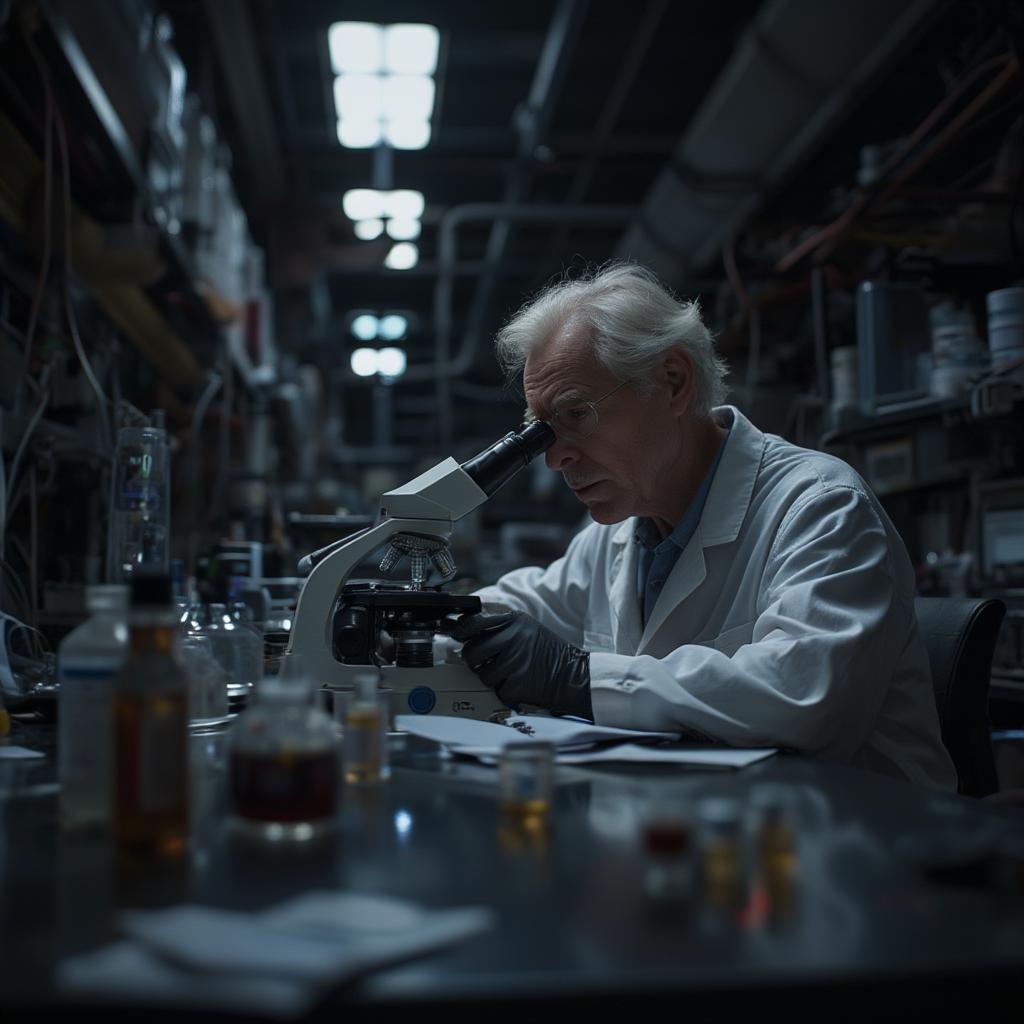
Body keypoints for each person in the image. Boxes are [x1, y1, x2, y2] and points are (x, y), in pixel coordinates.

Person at [453, 263, 956, 790]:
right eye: (541, 431)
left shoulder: (820, 507)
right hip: (706, 825)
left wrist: (581, 679)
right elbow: (523, 607)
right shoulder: (619, 533)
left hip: (859, 840)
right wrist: (420, 623)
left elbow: (803, 699)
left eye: (575, 415)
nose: (553, 460)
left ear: (672, 381)